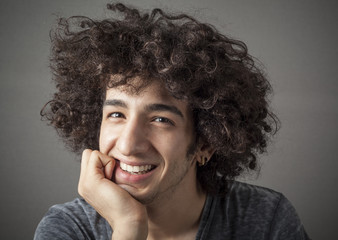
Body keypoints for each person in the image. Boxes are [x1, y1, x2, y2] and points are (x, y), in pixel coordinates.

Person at [35, 3, 310, 240]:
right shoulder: (69, 228)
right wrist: (128, 227)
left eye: (160, 119)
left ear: (205, 142)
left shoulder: (267, 220)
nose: (129, 145)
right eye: (117, 114)